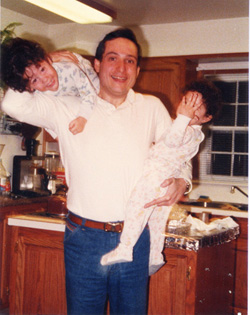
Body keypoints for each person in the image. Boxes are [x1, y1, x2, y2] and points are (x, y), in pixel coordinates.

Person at [2, 28, 192, 314]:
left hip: (135, 238)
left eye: (129, 61)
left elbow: (179, 151)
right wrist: (45, 61)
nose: (120, 67)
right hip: (84, 240)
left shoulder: (151, 107)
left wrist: (182, 180)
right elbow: (10, 103)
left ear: (137, 70)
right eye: (112, 58)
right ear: (97, 64)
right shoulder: (62, 106)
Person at [100, 79, 221, 275]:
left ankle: (125, 248)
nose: (188, 108)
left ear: (206, 118)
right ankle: (156, 255)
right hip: (165, 179)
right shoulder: (196, 134)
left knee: (136, 209)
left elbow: (172, 141)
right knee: (156, 220)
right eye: (186, 101)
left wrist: (182, 118)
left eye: (196, 106)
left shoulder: (186, 129)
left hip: (154, 176)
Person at [1, 37, 99, 136]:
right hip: (71, 95)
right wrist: (56, 135)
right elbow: (45, 120)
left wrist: (83, 118)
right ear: (29, 88)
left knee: (99, 95)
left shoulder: (71, 69)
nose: (45, 79)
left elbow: (89, 94)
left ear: (48, 60)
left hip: (83, 72)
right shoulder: (38, 93)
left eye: (42, 69)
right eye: (35, 80)